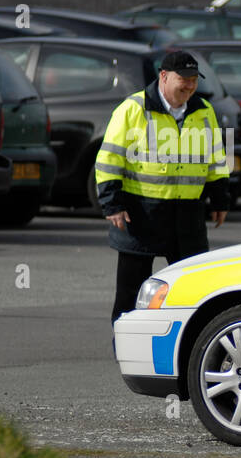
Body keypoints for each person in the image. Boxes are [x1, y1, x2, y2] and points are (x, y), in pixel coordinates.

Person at [95, 50, 229, 323]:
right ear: (164, 77)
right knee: (130, 294)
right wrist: (113, 204)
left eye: (194, 79)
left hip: (187, 217)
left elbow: (216, 159)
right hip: (140, 214)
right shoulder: (133, 109)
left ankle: (191, 348)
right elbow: (109, 159)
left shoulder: (204, 111)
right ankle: (124, 344)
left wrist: (220, 200)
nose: (190, 85)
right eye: (185, 78)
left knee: (195, 293)